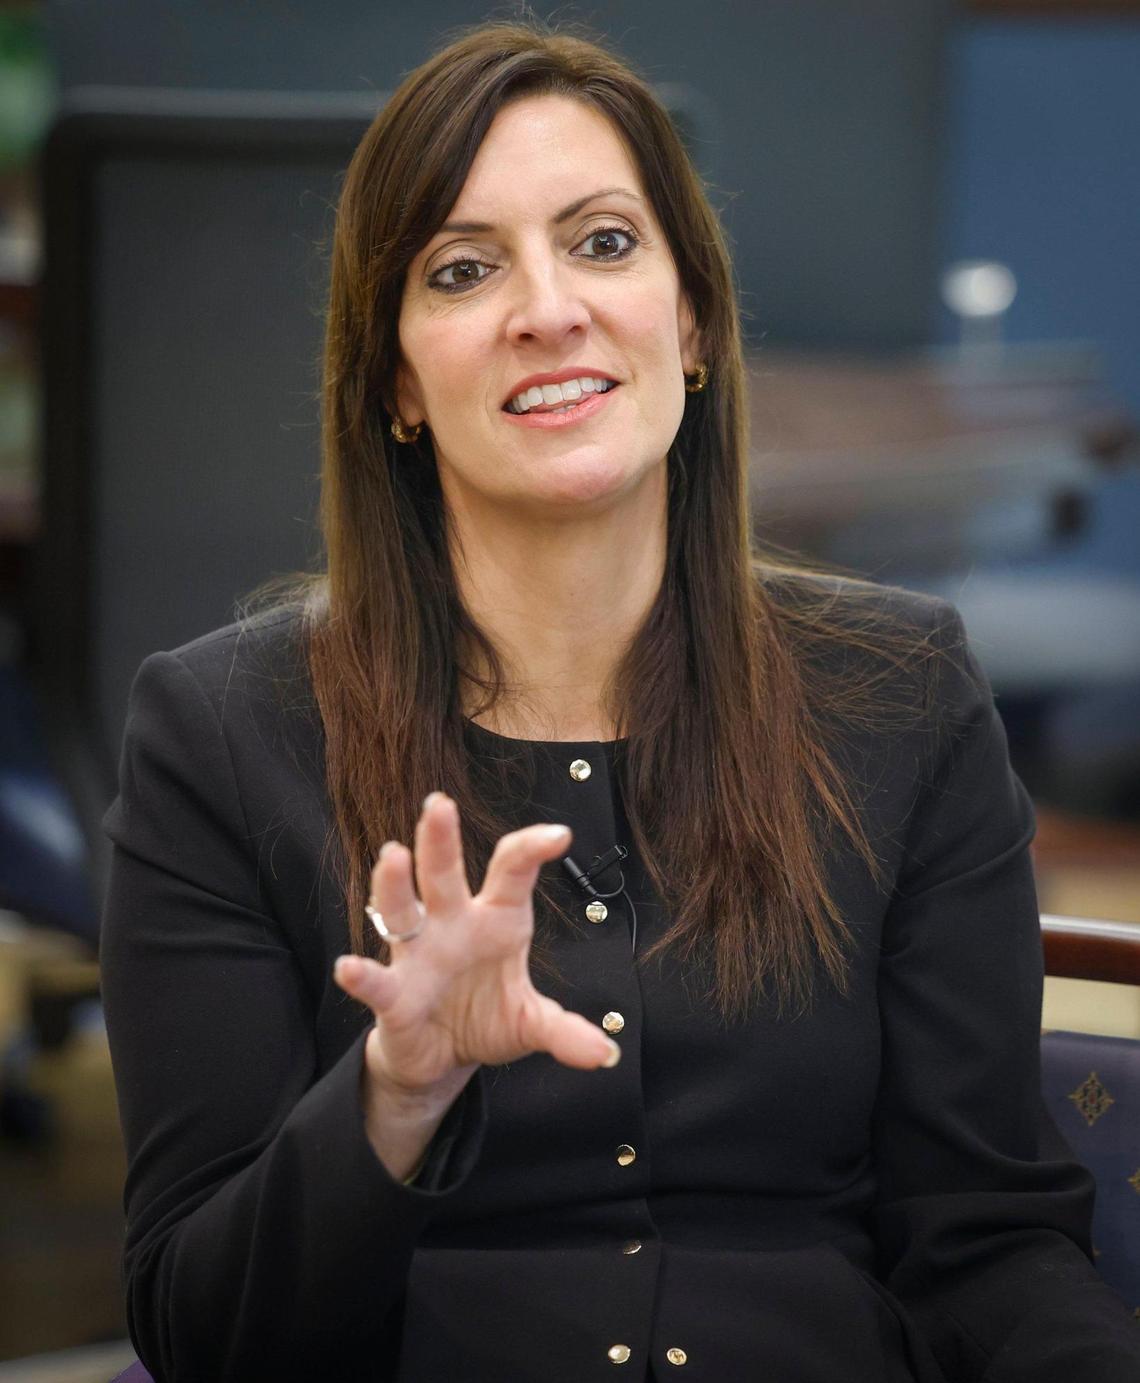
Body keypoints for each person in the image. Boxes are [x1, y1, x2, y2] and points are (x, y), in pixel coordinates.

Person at [99, 20, 1140, 1383]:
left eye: (602, 242)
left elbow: (988, 1247)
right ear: (397, 379)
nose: (549, 308)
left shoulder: (902, 695)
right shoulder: (222, 735)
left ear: (691, 319)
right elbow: (202, 1335)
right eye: (464, 269)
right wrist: (395, 1097)